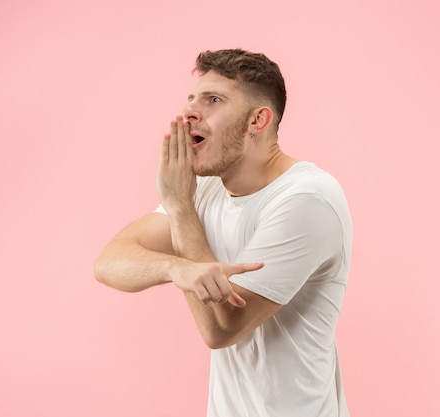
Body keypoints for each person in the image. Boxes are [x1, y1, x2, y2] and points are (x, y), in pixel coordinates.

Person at [94, 49, 353, 417]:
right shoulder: (208, 190)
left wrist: (182, 211)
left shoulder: (307, 199)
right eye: (191, 99)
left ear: (257, 121)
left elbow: (222, 329)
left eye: (213, 100)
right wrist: (175, 268)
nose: (189, 113)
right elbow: (110, 261)